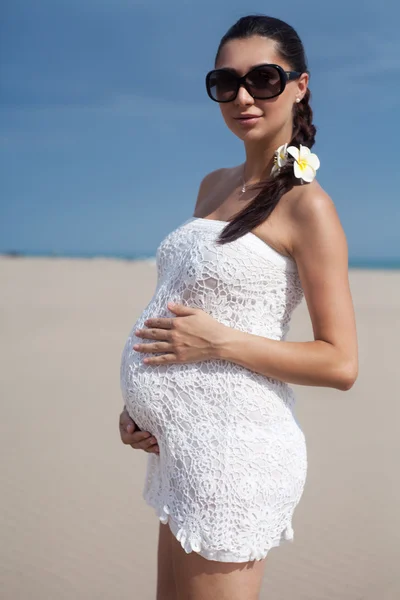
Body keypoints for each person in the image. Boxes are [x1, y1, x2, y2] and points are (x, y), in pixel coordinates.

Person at [119, 14, 358, 600]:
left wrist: (219, 343)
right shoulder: (212, 185)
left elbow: (340, 363)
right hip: (182, 451)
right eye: (226, 82)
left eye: (264, 79)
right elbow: (179, 308)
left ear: (300, 85)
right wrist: (143, 411)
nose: (243, 96)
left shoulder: (309, 208)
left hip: (235, 459)